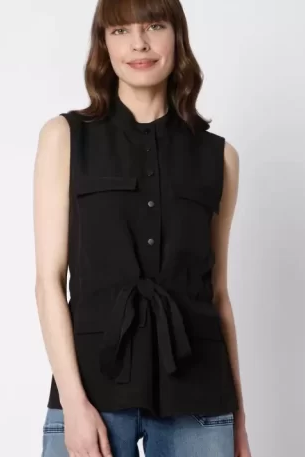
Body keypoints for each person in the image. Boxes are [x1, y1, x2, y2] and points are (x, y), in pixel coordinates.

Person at [33, 0, 251, 456]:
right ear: (103, 45)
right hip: (92, 389)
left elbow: (218, 295)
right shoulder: (65, 138)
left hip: (199, 393)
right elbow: (49, 281)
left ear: (177, 37)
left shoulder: (220, 158)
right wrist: (73, 403)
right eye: (120, 31)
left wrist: (239, 422)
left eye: (154, 26)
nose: (139, 44)